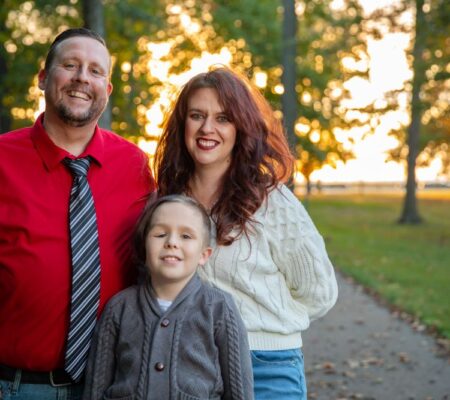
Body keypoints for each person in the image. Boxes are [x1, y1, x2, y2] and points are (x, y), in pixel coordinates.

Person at [154, 66, 338, 400]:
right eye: (197, 115)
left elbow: (320, 291)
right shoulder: (167, 199)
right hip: (190, 364)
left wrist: (263, 328)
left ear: (241, 127)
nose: (208, 128)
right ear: (183, 124)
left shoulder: (271, 201)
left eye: (223, 118)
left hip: (266, 365)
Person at [0, 28, 155, 400]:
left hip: (113, 386)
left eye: (95, 71)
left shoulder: (136, 167)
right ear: (43, 79)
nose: (82, 78)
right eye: (70, 65)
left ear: (107, 88)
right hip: (15, 386)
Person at [82, 194, 254, 400]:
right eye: (160, 234)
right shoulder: (119, 308)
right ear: (144, 246)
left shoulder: (219, 308)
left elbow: (239, 391)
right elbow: (95, 388)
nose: (172, 242)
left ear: (204, 255)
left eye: (186, 236)